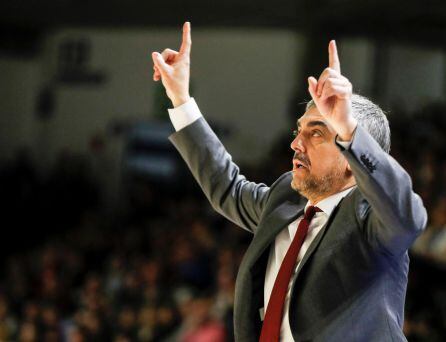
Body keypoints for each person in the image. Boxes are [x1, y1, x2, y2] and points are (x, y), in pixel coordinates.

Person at [151, 22, 427, 342]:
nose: (296, 144)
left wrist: (349, 128)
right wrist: (180, 98)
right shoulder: (286, 197)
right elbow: (225, 186)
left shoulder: (373, 220)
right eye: (299, 130)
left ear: (353, 158)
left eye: (317, 133)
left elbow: (409, 216)